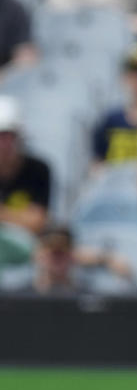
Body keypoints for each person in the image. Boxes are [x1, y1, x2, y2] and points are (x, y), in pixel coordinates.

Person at [0, 96, 51, 268]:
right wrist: (19, 216)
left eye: (9, 136)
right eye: (1, 136)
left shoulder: (38, 170)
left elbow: (38, 223)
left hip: (29, 253)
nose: (4, 144)